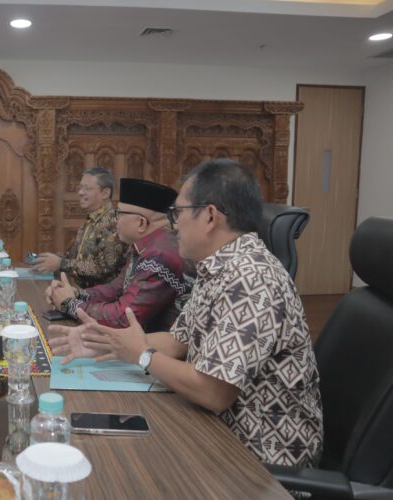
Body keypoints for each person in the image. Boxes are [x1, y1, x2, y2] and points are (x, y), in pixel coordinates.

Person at [49, 159, 322, 467]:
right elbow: (179, 341)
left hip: (259, 456)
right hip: (215, 429)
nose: (172, 224)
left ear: (209, 216)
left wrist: (144, 356)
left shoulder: (250, 278)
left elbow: (213, 391)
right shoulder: (218, 266)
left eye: (177, 213)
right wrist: (106, 344)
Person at [45, 179, 191, 330]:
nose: (115, 222)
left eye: (119, 214)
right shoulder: (148, 244)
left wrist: (69, 303)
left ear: (141, 223)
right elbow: (116, 289)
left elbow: (123, 317)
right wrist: (76, 293)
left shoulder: (159, 255)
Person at [32, 167, 127, 288]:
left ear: (105, 193)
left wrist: (60, 263)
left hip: (103, 300)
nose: (80, 192)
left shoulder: (114, 223)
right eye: (80, 187)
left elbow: (104, 267)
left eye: (87, 188)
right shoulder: (91, 220)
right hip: (82, 293)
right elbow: (74, 257)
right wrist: (47, 261)